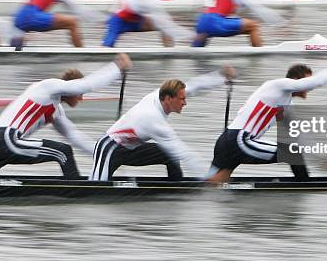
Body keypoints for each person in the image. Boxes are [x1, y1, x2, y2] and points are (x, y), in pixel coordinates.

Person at [207, 55, 327, 183]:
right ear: (296, 80)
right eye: (306, 82)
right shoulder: (278, 86)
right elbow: (317, 81)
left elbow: (300, 138)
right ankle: (305, 188)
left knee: (210, 186)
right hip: (240, 140)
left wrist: (321, 159)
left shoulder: (285, 106)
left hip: (226, 141)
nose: (309, 87)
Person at [0, 53, 133, 179]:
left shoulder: (56, 111)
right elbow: (86, 84)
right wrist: (116, 68)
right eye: (80, 94)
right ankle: (77, 192)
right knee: (63, 152)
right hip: (7, 139)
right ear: (72, 88)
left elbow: (75, 136)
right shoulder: (49, 86)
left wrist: (106, 155)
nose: (81, 98)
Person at [90, 66, 236, 181]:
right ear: (168, 99)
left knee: (168, 154)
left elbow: (195, 85)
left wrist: (221, 77)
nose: (185, 103)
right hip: (109, 148)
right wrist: (210, 176)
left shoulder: (159, 95)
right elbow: (183, 152)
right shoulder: (153, 119)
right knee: (95, 191)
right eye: (181, 99)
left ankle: (176, 187)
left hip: (130, 148)